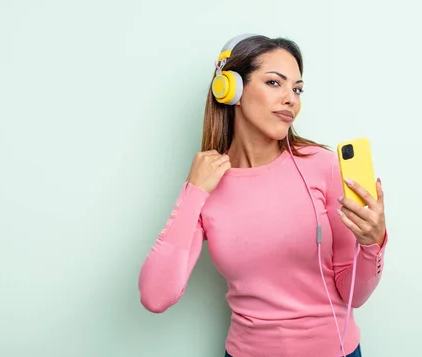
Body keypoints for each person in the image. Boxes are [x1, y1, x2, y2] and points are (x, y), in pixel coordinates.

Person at [138, 33, 389, 357]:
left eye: (297, 89)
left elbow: (353, 294)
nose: (291, 99)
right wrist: (193, 192)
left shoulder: (323, 166)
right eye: (275, 83)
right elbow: (155, 295)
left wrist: (373, 243)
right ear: (231, 91)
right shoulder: (207, 183)